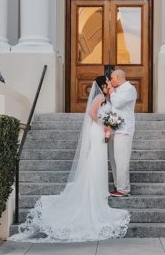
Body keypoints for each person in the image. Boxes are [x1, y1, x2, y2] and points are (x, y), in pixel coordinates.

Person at [9, 78, 130, 242]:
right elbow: (92, 113)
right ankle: (94, 191)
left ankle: (100, 190)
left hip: (101, 131)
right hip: (97, 131)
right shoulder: (100, 98)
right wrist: (105, 125)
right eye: (108, 83)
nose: (110, 85)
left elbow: (107, 114)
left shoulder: (107, 99)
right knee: (95, 159)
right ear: (103, 86)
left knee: (99, 160)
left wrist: (109, 125)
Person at [107, 69, 137, 198]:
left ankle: (123, 189)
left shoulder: (129, 89)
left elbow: (118, 104)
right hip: (116, 129)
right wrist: (110, 129)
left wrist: (112, 92)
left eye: (112, 78)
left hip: (124, 130)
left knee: (122, 160)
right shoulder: (118, 89)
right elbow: (114, 110)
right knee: (114, 159)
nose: (111, 81)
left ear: (119, 77)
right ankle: (117, 185)